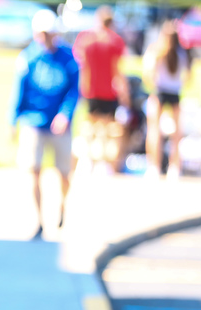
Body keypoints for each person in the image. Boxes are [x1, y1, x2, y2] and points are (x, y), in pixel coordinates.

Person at [11, 9, 79, 239]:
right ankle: (39, 220)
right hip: (33, 120)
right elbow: (18, 90)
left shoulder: (68, 58)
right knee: (34, 170)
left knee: (63, 172)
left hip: (59, 123)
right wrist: (13, 120)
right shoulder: (28, 57)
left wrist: (65, 115)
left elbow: (74, 91)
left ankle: (62, 205)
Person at [72, 5, 129, 173]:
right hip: (108, 91)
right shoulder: (115, 41)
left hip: (91, 90)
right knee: (107, 129)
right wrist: (124, 93)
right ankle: (103, 162)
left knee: (89, 126)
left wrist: (83, 88)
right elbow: (117, 70)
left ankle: (88, 159)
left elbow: (82, 67)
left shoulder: (86, 39)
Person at [143, 20, 188, 180]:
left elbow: (147, 72)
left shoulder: (156, 51)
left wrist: (152, 85)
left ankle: (153, 166)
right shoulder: (181, 53)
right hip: (175, 93)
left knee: (154, 131)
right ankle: (174, 167)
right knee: (177, 133)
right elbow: (187, 76)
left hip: (160, 92)